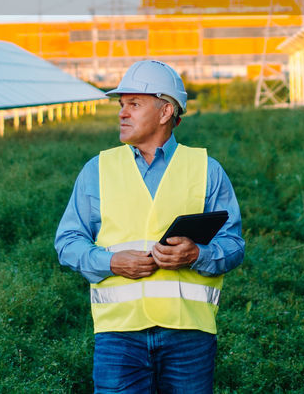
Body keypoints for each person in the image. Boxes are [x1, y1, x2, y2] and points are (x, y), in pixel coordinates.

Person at [55, 59, 244, 394]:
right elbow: (68, 241)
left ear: (165, 111)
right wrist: (111, 262)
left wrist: (197, 254)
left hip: (189, 337)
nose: (122, 113)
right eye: (122, 104)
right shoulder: (97, 170)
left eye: (135, 104)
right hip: (118, 337)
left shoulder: (207, 170)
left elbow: (234, 246)